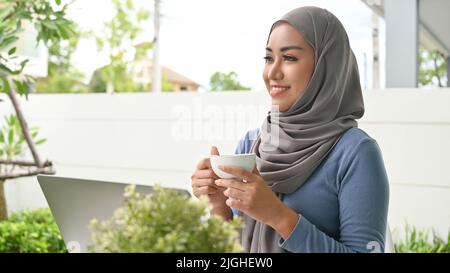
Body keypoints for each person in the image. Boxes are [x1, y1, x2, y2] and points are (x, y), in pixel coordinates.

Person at [190, 6, 389, 253]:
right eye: (268, 58)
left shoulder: (355, 153)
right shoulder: (252, 143)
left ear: (325, 67)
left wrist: (279, 216)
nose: (272, 72)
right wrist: (218, 207)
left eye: (290, 58)